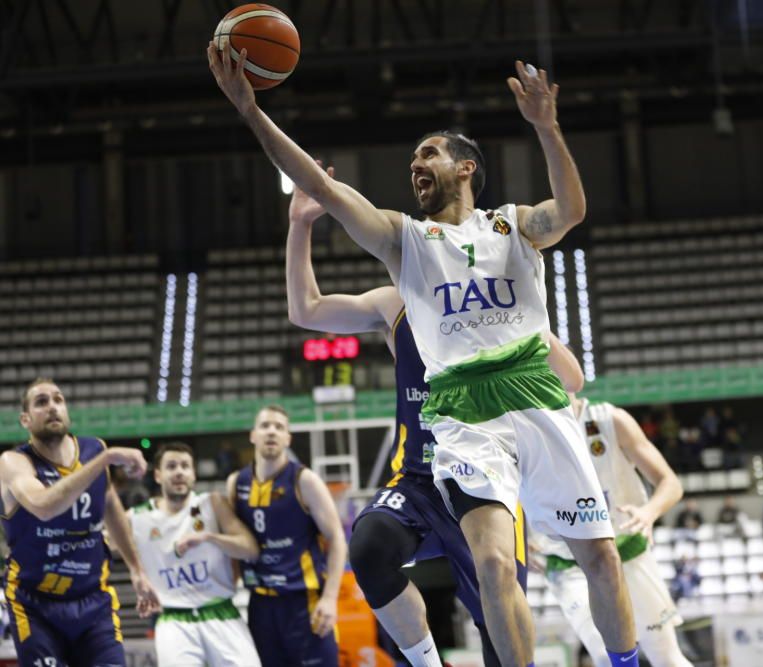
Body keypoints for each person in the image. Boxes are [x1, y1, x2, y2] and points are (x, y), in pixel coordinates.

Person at [208, 45, 639, 667]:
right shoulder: (404, 241)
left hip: (537, 398)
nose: (415, 163)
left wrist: (546, 127)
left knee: (599, 556)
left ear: (466, 167)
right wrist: (250, 110)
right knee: (492, 563)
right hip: (462, 412)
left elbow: (571, 211)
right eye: (413, 157)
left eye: (428, 153)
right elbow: (321, 185)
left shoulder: (512, 226)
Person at [285, 177, 585, 667]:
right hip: (422, 479)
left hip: (487, 479)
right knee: (370, 547)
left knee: (501, 636)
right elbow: (306, 310)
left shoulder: (493, 309)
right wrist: (300, 225)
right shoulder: (395, 303)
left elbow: (571, 379)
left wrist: (525, 334)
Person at [0, 378, 160, 666]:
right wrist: (106, 459)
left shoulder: (92, 449)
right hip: (35, 604)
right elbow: (43, 506)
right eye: (41, 402)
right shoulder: (14, 462)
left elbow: (111, 506)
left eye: (58, 400)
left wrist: (137, 570)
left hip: (92, 602)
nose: (52, 407)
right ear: (25, 420)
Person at [530, 395, 693, 667]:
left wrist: (648, 513)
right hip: (568, 563)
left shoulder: (610, 419)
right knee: (606, 656)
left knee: (667, 657)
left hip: (627, 549)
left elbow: (670, 482)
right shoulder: (525, 424)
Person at [227, 405, 348, 667]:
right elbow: (233, 545)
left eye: (279, 427)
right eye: (265, 426)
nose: (272, 431)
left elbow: (337, 538)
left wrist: (329, 598)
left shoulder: (305, 480)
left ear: (287, 439)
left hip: (305, 601)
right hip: (260, 604)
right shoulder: (236, 483)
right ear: (253, 435)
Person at [129, 442, 262, 667]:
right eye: (171, 466)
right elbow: (102, 540)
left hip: (220, 612)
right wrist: (136, 573)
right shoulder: (138, 517)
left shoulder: (212, 503)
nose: (179, 471)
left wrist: (209, 537)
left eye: (185, 466)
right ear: (158, 475)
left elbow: (250, 549)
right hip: (174, 619)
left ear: (193, 474)